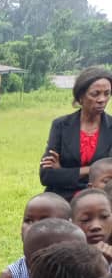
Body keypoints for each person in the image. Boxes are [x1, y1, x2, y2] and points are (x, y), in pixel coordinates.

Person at [39, 67, 112, 201]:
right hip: (61, 201)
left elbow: (109, 182)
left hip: (100, 203)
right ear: (80, 97)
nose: (102, 99)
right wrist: (94, 172)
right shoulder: (61, 125)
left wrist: (63, 171)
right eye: (95, 94)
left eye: (107, 93)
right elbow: (46, 175)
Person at [71, 187, 112, 264]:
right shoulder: (67, 259)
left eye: (104, 216)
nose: (96, 226)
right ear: (71, 223)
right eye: (85, 220)